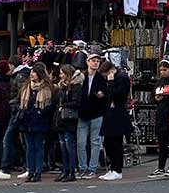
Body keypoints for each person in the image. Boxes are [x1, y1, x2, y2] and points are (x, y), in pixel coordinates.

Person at [0, 55, 30, 180]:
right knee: (22, 140)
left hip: (16, 112)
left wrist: (13, 105)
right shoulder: (22, 75)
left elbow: (20, 95)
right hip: (16, 112)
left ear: (12, 65)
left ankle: (6, 168)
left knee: (8, 139)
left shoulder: (19, 76)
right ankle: (25, 166)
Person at [19, 63, 56, 183]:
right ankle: (30, 171)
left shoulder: (47, 88)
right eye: (31, 73)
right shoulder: (26, 87)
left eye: (34, 73)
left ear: (39, 74)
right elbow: (20, 101)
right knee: (29, 147)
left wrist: (41, 112)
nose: (32, 75)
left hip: (40, 121)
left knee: (39, 147)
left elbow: (51, 106)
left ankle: (38, 172)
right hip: (27, 121)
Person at [76, 50, 107, 180]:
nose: (96, 63)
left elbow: (105, 95)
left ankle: (91, 169)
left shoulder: (101, 78)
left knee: (95, 143)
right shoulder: (81, 77)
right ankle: (82, 167)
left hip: (97, 114)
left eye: (98, 61)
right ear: (87, 62)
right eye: (93, 60)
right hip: (83, 113)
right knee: (81, 143)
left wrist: (101, 96)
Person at [98, 61, 131, 181]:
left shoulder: (123, 79)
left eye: (106, 74)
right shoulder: (113, 79)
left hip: (117, 113)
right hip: (109, 113)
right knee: (108, 143)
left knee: (116, 143)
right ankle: (112, 168)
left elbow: (116, 95)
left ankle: (118, 170)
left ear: (111, 71)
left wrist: (111, 82)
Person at [53, 64, 83, 182]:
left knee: (69, 145)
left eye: (62, 73)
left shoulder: (75, 86)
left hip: (69, 119)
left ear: (67, 74)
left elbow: (76, 102)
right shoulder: (63, 87)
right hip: (61, 119)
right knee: (63, 146)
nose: (60, 76)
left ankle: (71, 170)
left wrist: (63, 105)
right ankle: (65, 170)